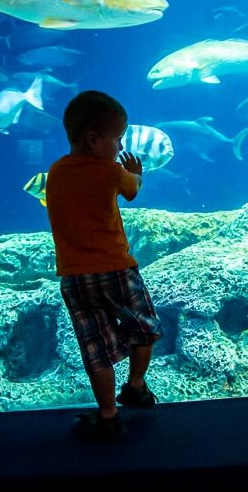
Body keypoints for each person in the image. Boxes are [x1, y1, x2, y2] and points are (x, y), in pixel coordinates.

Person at [45, 90, 163, 440]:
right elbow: (132, 191)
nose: (121, 144)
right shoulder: (111, 172)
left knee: (95, 350)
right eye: (118, 138)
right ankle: (136, 385)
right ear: (94, 139)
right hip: (115, 269)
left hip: (75, 279)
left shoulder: (55, 172)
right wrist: (136, 173)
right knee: (144, 328)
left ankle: (109, 414)